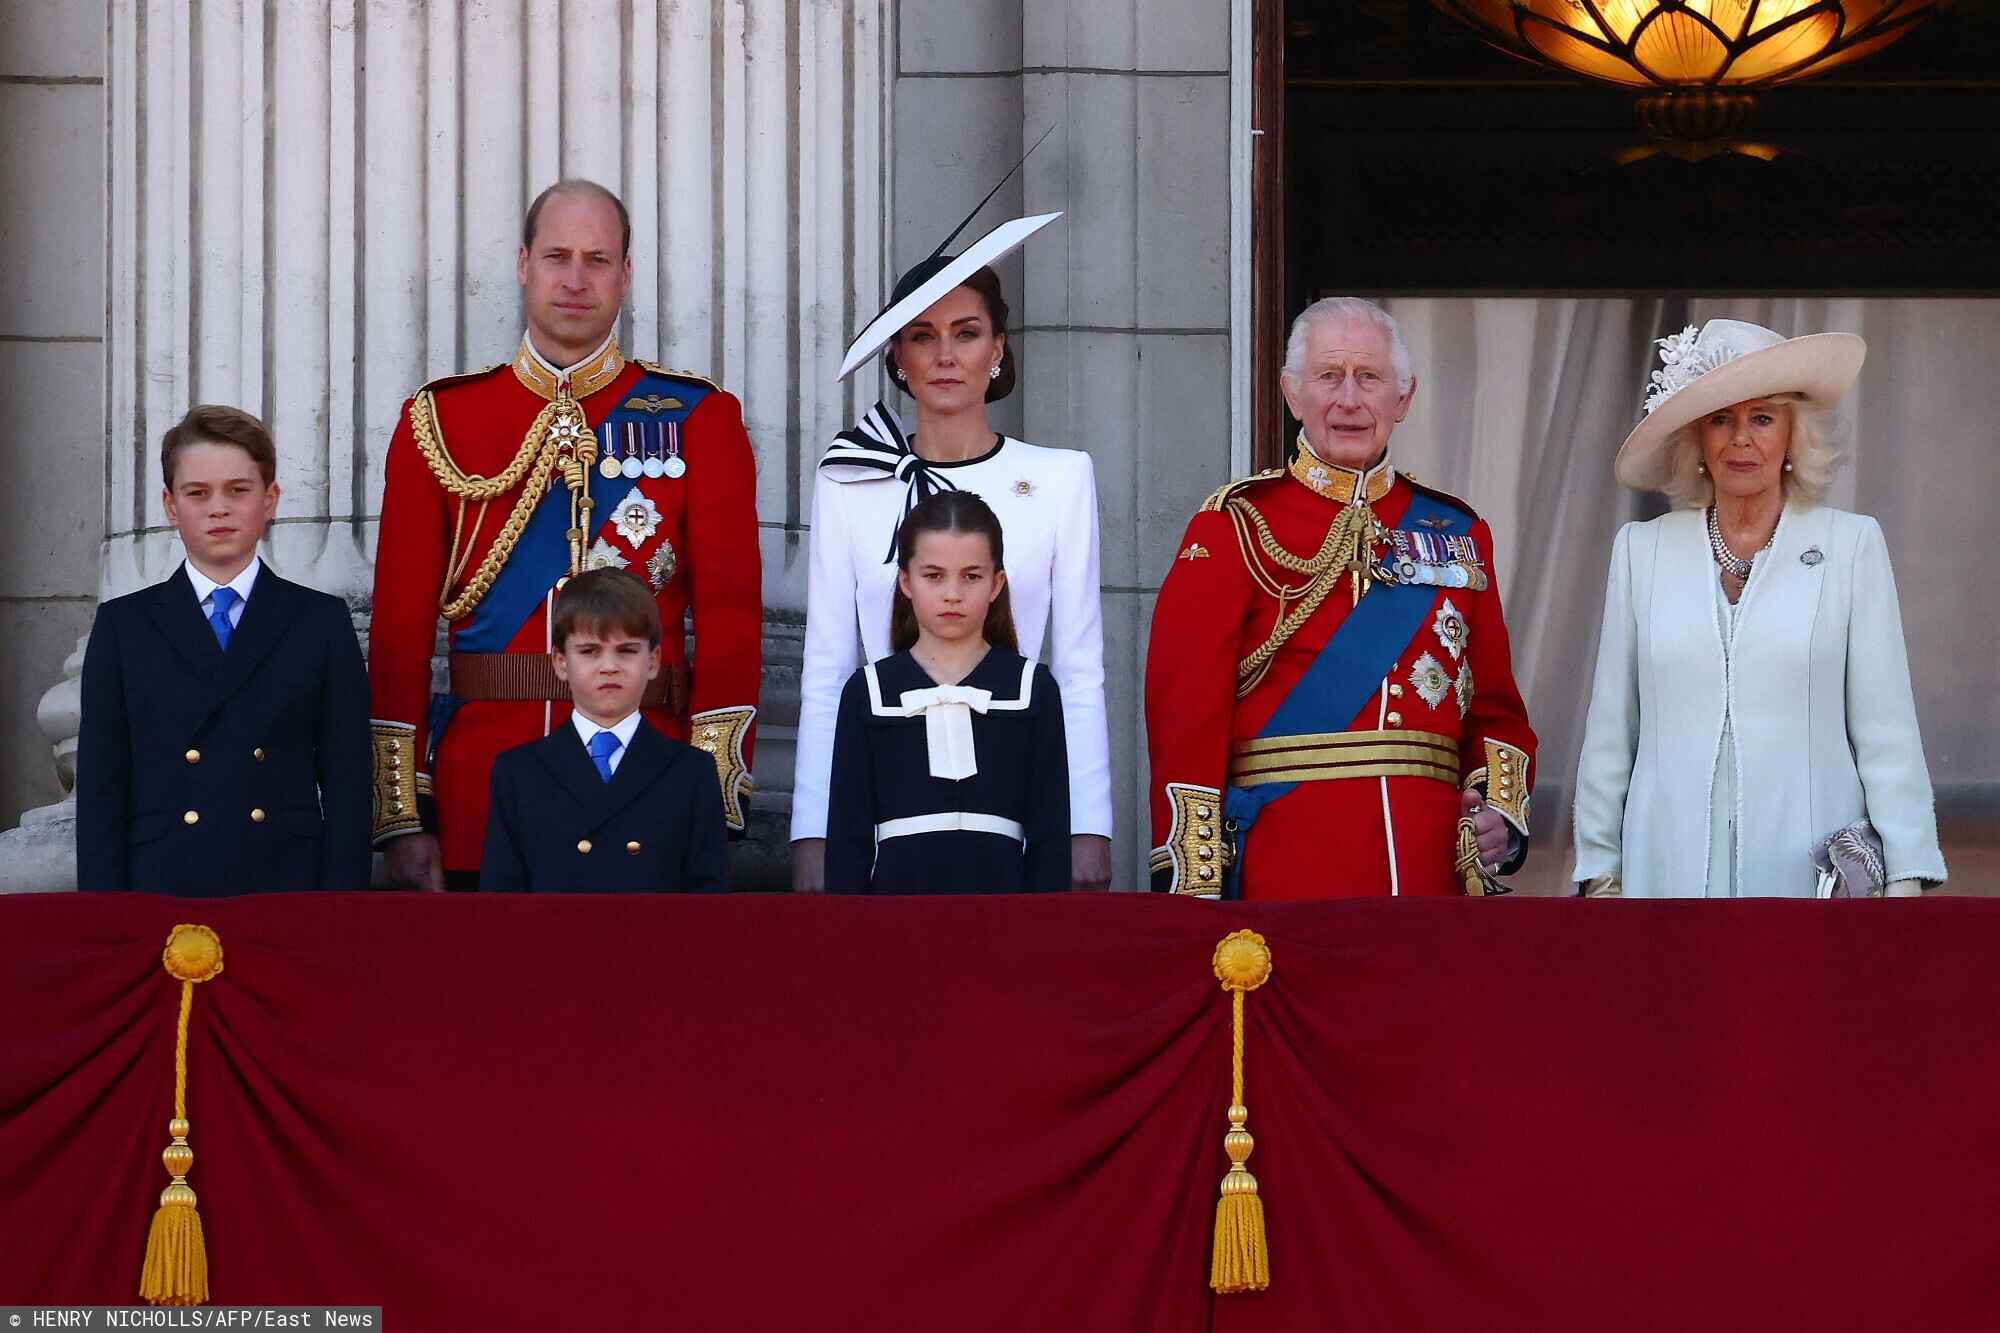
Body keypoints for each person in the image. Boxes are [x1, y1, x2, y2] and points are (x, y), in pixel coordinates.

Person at [368, 178, 762, 891]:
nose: (576, 279)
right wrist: (404, 811)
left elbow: (732, 623)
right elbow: (399, 632)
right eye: (557, 257)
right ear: (523, 264)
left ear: (627, 274)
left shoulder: (699, 417)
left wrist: (714, 793)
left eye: (598, 259)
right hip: (479, 792)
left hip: (652, 790)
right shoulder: (440, 422)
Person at [1145, 297, 1537, 899]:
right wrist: (1195, 883)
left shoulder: (1457, 533)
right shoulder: (1236, 526)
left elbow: (1496, 708)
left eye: (1370, 377)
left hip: (1428, 872)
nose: (1349, 400)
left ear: (1403, 398)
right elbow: (1185, 714)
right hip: (1284, 868)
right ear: (1291, 392)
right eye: (1329, 376)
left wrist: (1497, 817)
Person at [792, 208, 1112, 891]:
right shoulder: (851, 480)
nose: (944, 356)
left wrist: (1088, 824)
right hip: (885, 795)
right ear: (897, 359)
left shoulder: (1061, 478)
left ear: (997, 348)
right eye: (922, 336)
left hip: (1016, 788)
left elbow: (1081, 668)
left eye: (966, 334)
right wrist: (814, 834)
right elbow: (826, 668)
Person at [1571, 319, 1945, 898]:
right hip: (1664, 869)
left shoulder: (1851, 546)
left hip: (1810, 873)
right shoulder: (1641, 551)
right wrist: (1599, 870)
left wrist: (1904, 876)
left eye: (1762, 419)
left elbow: (1886, 729)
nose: (1741, 439)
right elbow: (1612, 731)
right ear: (1697, 440)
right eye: (1721, 419)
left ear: (1795, 438)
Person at [76, 405, 371, 894]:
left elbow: (348, 784)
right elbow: (103, 792)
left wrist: (340, 909)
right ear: (171, 506)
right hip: (161, 888)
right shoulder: (123, 627)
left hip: (285, 888)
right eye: (198, 493)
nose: (219, 508)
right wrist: (107, 918)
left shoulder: (319, 622)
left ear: (270, 499)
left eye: (239, 490)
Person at [824, 492, 1070, 894]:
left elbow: (1051, 838)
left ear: (996, 583)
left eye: (971, 576)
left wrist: (1042, 938)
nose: (952, 593)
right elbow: (847, 840)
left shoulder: (1032, 688)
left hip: (1004, 916)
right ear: (906, 580)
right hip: (896, 918)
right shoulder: (868, 690)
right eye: (934, 576)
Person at [480, 569, 729, 892]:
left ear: (653, 661)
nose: (609, 666)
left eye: (626, 651)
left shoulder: (692, 773)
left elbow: (709, 908)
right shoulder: (518, 773)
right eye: (589, 651)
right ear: (560, 662)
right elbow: (501, 909)